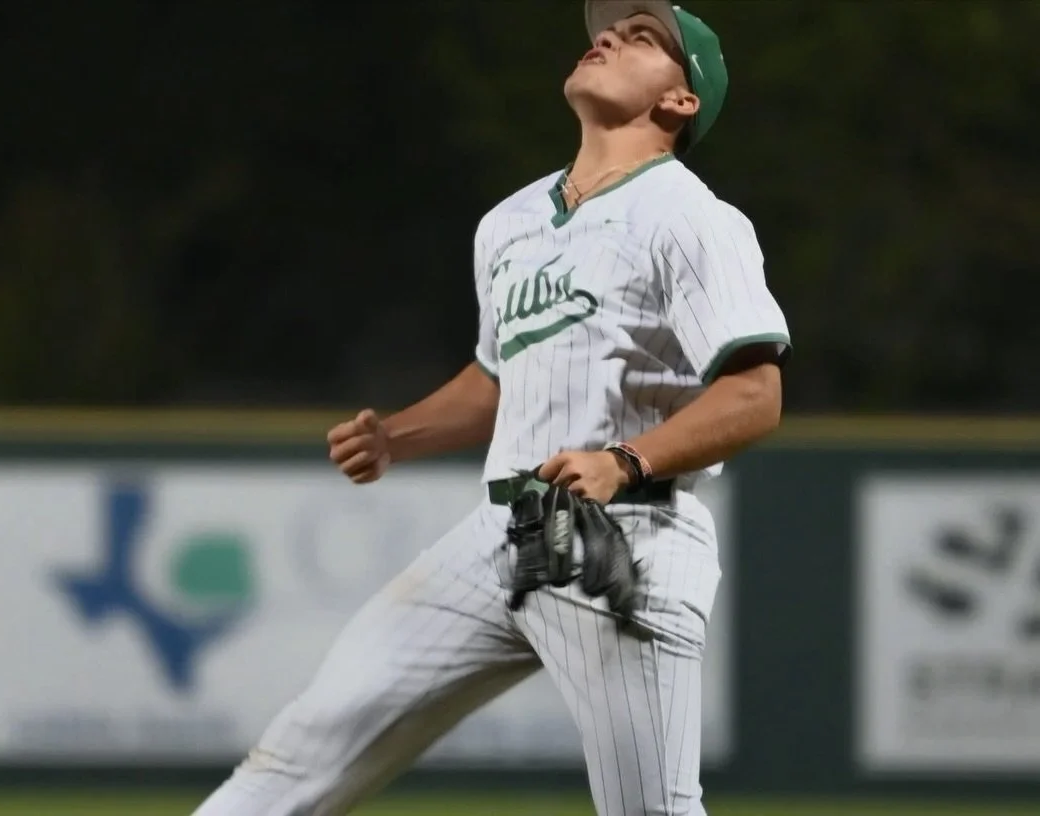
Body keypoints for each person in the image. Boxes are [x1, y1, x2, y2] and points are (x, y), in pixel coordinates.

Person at [192, 2, 790, 814]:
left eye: (644, 37)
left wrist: (626, 461)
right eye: (606, 30)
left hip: (627, 539)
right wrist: (397, 435)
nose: (606, 36)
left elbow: (755, 392)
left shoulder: (690, 219)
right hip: (504, 531)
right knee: (306, 746)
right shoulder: (510, 222)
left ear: (679, 102)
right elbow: (497, 379)